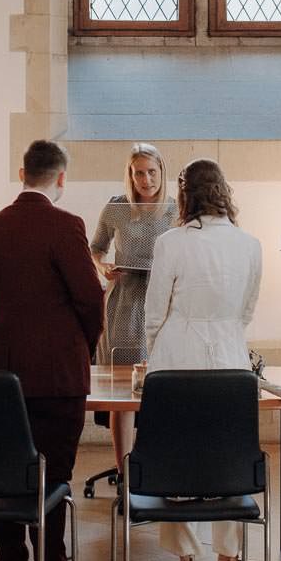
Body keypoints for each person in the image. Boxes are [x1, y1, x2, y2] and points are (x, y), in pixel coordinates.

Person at [0, 139, 109, 561]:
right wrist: (82, 346)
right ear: (61, 177)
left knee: (8, 471)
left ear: (21, 173)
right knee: (54, 474)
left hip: (2, 370)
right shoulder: (65, 224)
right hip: (56, 374)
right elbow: (91, 298)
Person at [143, 158, 262, 561]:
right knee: (229, 461)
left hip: (177, 356)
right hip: (231, 356)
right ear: (223, 192)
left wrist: (156, 356)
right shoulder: (250, 245)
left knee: (177, 463)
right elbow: (248, 309)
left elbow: (155, 312)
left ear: (184, 194)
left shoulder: (171, 242)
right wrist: (226, 331)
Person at [90, 142, 177, 468]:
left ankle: (155, 465)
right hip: (124, 302)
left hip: (161, 302)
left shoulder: (175, 209)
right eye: (139, 172)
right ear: (130, 175)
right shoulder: (116, 207)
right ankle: (126, 470)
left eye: (152, 172)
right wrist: (103, 267)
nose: (146, 179)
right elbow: (95, 247)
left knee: (160, 386)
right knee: (123, 390)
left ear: (161, 173)